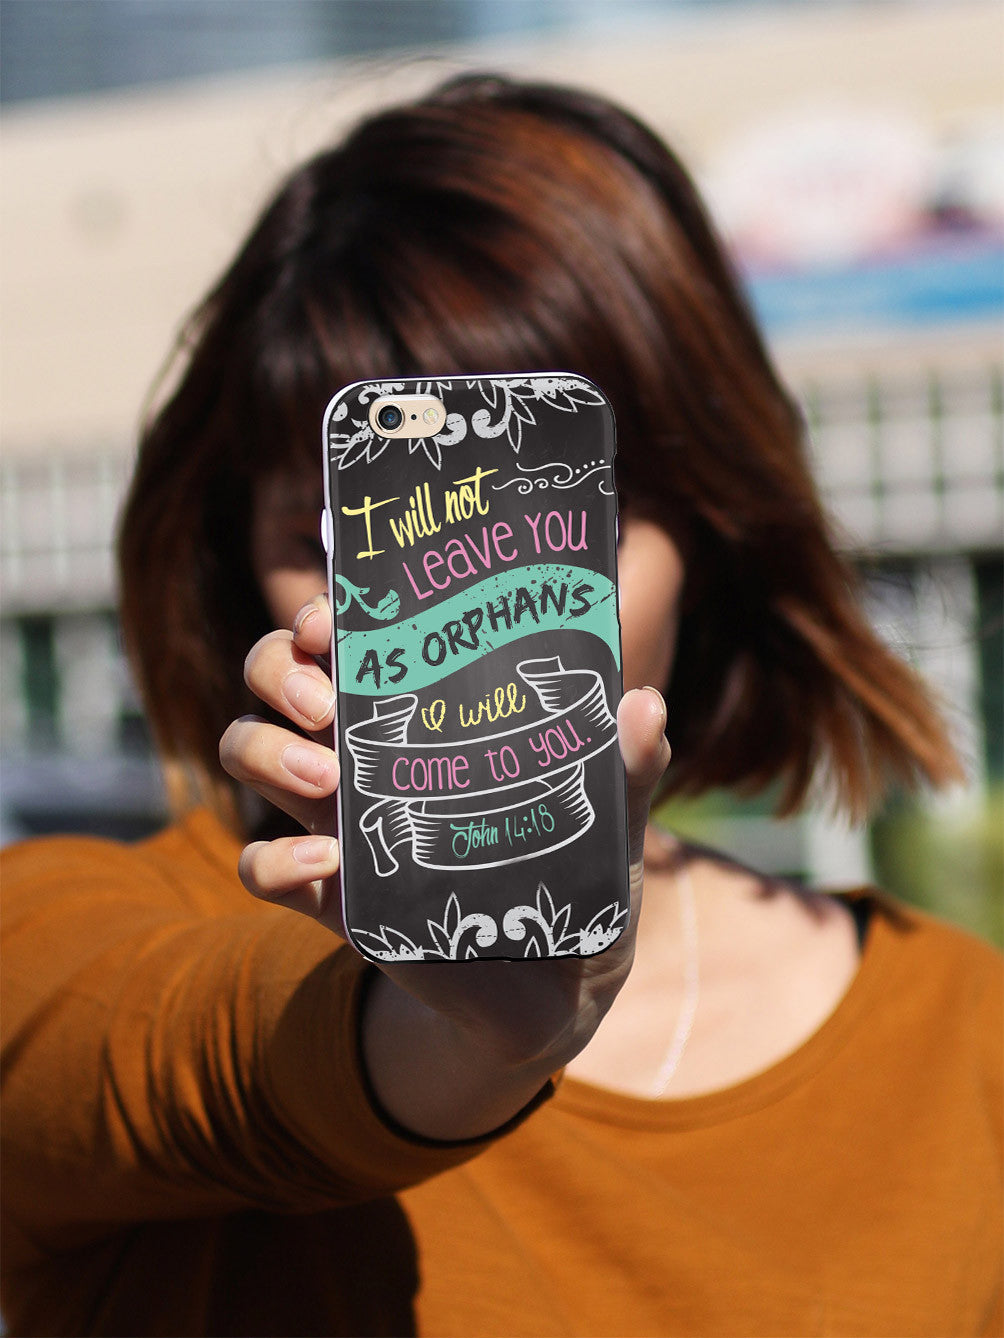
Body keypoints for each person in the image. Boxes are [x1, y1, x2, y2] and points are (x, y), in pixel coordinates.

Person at [2, 73, 1000, 1338]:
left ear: (710, 532)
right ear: (234, 561)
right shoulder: (60, 937)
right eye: (347, 537)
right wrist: (462, 1042)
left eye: (557, 527)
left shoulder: (964, 1040)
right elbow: (179, 1066)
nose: (456, 610)